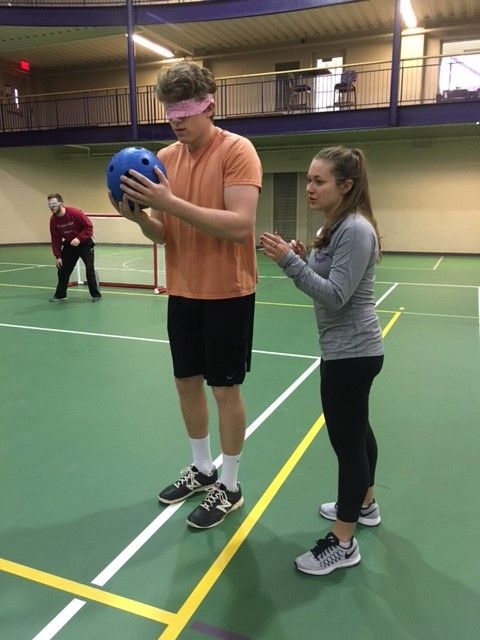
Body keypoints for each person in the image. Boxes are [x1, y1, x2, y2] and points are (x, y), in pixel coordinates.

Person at [109, 62, 262, 529]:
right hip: (183, 290)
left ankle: (230, 485)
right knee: (185, 383)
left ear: (208, 105)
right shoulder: (164, 158)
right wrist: (137, 216)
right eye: (169, 110)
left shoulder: (238, 151)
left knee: (224, 389)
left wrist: (168, 202)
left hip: (228, 292)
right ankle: (201, 468)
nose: (176, 119)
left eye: (185, 110)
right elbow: (164, 234)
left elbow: (240, 227)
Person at [260, 146, 384, 575]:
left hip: (351, 354)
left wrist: (291, 262)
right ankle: (364, 505)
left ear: (345, 185)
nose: (309, 187)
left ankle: (343, 541)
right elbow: (330, 278)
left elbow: (334, 295)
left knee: (347, 445)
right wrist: (303, 255)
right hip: (349, 350)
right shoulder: (335, 226)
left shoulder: (354, 229)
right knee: (358, 432)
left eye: (319, 181)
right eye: (309, 180)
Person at [47, 193, 101, 302]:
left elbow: (89, 227)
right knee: (63, 270)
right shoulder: (53, 221)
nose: (51, 207)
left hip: (85, 243)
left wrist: (79, 238)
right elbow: (55, 239)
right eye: (49, 205)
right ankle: (61, 295)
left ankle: (96, 295)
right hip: (70, 246)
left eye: (53, 204)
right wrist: (58, 256)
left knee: (89, 268)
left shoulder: (75, 213)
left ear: (61, 203)